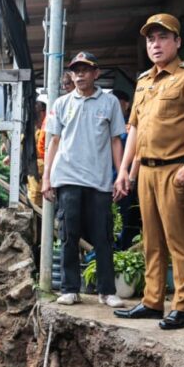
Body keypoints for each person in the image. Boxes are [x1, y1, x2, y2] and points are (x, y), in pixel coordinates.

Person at [113, 13, 184, 330]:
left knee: (179, 240)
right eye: (150, 39)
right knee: (152, 240)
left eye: (162, 37)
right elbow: (133, 128)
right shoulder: (144, 81)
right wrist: (124, 171)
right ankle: (152, 301)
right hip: (145, 171)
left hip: (176, 168)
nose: (156, 44)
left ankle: (183, 307)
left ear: (177, 42)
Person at [41, 51, 127, 307]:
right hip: (67, 177)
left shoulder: (109, 103)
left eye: (85, 70)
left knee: (103, 236)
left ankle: (106, 291)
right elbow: (53, 143)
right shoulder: (61, 104)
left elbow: (115, 141)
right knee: (68, 234)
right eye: (75, 70)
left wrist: (120, 174)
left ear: (95, 73)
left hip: (99, 180)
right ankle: (69, 289)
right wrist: (47, 178)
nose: (79, 74)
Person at [110, 89, 142, 249]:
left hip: (127, 180)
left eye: (117, 102)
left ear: (126, 104)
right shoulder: (107, 123)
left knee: (127, 220)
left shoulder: (132, 126)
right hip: (106, 179)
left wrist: (131, 177)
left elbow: (138, 152)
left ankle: (125, 250)